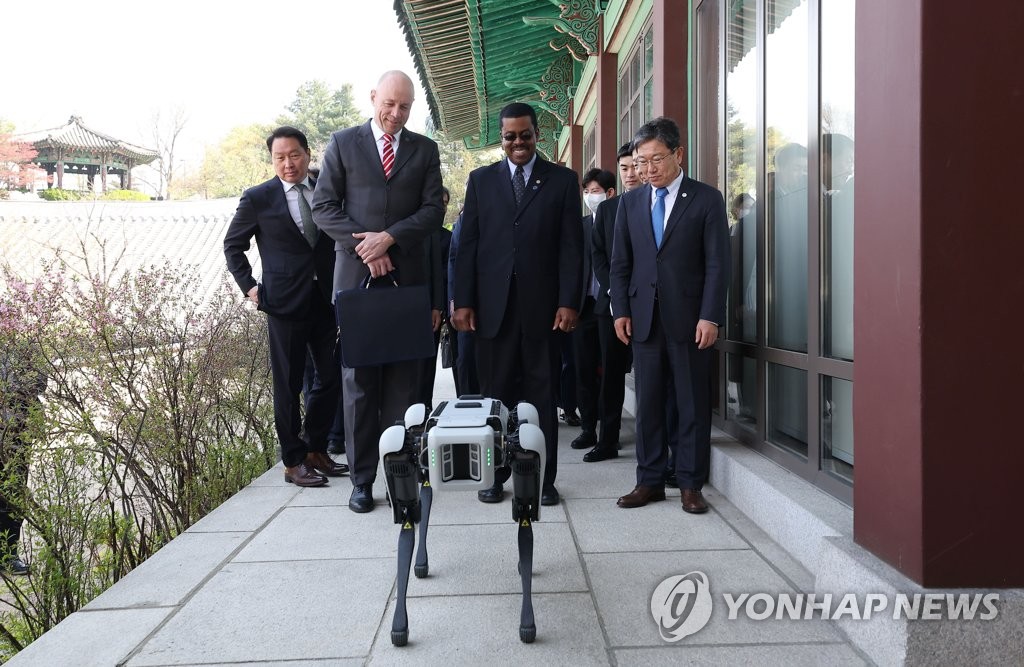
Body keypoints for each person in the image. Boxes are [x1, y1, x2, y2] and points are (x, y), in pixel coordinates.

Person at [312, 70, 445, 513]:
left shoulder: (424, 150)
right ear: (373, 98)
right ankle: (362, 479)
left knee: (404, 387)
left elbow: (431, 211)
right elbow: (323, 208)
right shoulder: (343, 143)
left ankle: (400, 473)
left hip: (407, 283)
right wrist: (367, 246)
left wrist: (389, 238)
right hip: (357, 283)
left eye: (404, 107)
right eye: (389, 104)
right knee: (360, 385)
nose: (395, 113)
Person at [452, 101, 583, 506]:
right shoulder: (481, 180)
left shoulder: (561, 180)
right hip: (492, 312)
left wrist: (569, 301)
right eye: (510, 136)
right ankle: (496, 476)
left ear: (536, 134)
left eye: (525, 134)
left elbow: (571, 248)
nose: (518, 142)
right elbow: (467, 246)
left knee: (542, 398)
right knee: (496, 399)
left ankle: (542, 478)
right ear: (501, 139)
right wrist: (464, 301)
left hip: (543, 312)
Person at [610, 117, 730, 514]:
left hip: (691, 319)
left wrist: (710, 316)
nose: (648, 170)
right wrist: (620, 311)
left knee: (691, 401)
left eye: (656, 160)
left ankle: (690, 483)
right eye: (641, 162)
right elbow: (620, 264)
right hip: (643, 318)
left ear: (678, 154)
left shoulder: (706, 199)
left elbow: (718, 265)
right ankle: (649, 480)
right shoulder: (629, 203)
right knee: (648, 402)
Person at [224, 126, 348, 489]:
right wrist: (249, 286)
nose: (288, 163)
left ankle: (315, 448)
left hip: (327, 298)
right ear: (272, 160)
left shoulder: (327, 189)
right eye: (280, 157)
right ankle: (293, 461)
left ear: (308, 154)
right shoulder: (258, 198)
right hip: (283, 304)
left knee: (332, 375)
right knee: (288, 384)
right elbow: (233, 245)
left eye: (294, 155)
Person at [585, 144, 641, 463]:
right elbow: (599, 257)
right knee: (611, 375)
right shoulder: (607, 210)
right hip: (611, 308)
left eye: (635, 166)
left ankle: (654, 440)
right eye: (624, 168)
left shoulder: (653, 205)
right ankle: (607, 440)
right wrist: (615, 294)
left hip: (649, 305)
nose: (630, 173)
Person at [570, 167, 617, 458]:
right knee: (583, 369)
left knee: (610, 373)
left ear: (610, 193)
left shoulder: (619, 219)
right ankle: (588, 427)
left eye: (595, 191)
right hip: (584, 307)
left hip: (610, 306)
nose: (590, 196)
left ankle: (608, 437)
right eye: (586, 192)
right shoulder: (581, 225)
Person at [0, 313, 45, 576]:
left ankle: (9, 554)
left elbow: (41, 380)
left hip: (17, 433)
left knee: (13, 495)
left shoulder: (24, 345)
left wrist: (14, 387)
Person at [417, 187, 452, 407]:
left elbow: (443, 276)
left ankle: (425, 407)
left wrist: (439, 306)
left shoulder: (445, 236)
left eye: (445, 202)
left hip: (432, 308)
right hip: (407, 305)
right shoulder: (412, 230)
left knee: (428, 363)